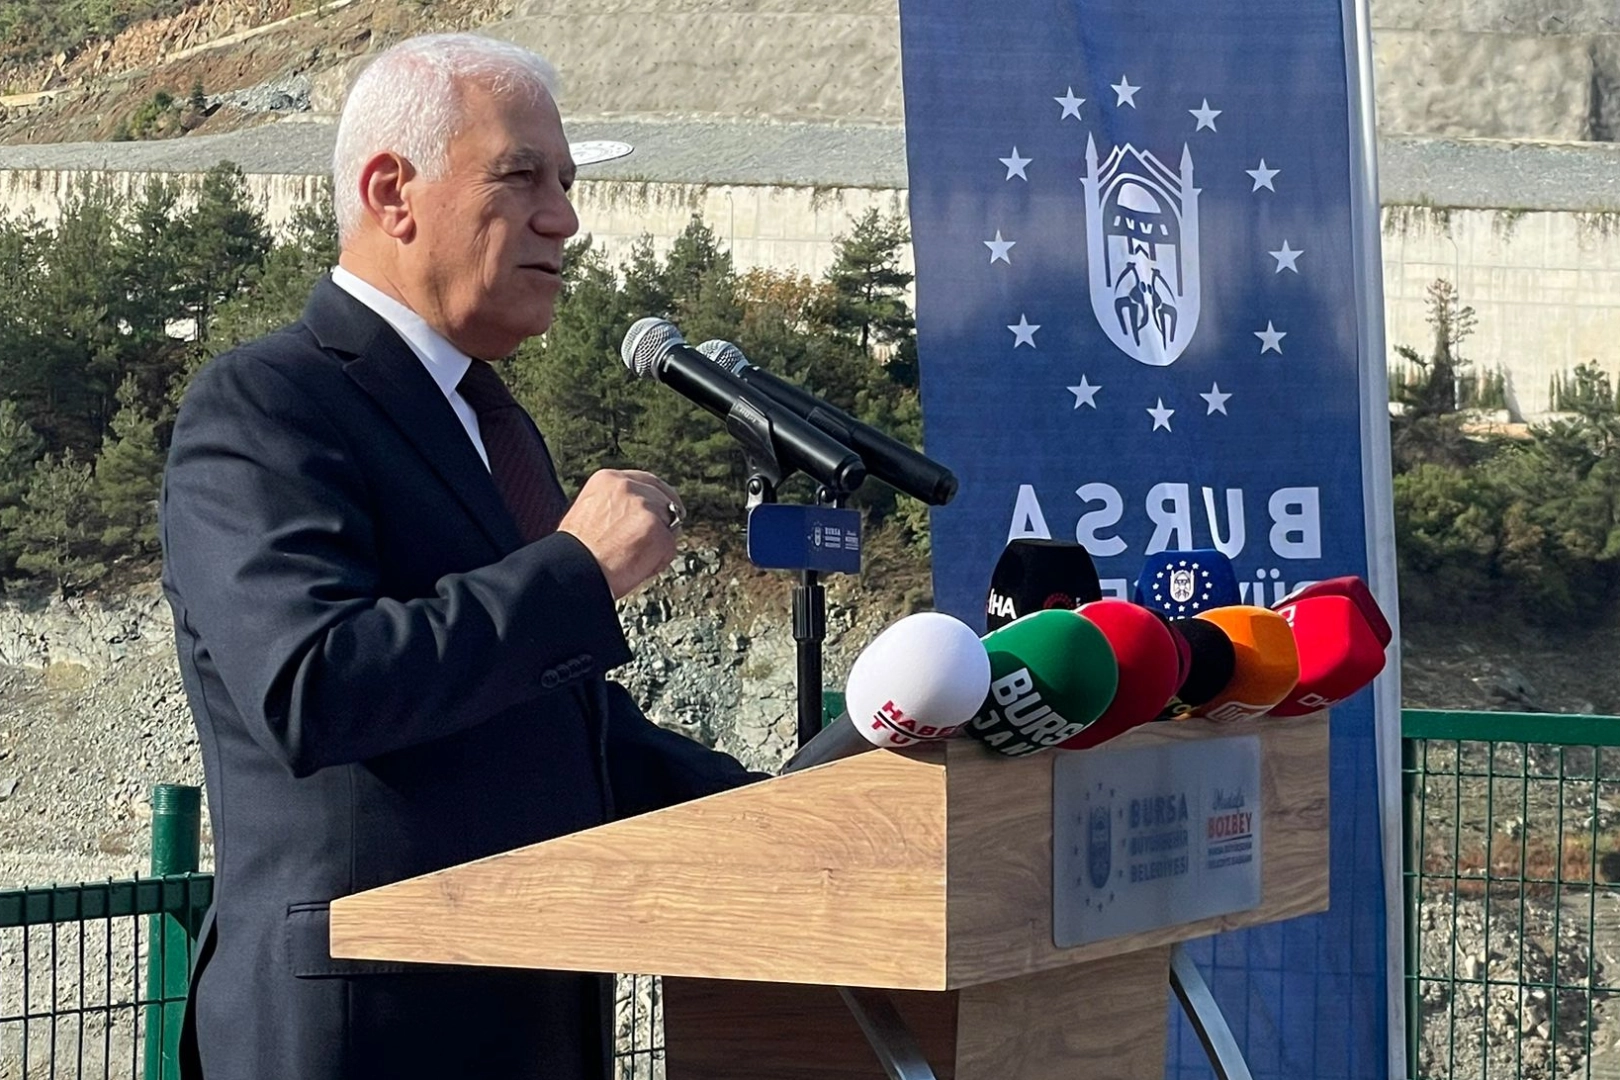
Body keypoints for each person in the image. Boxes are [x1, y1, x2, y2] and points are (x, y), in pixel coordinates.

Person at [159, 32, 760, 1080]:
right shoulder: (266, 402)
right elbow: (312, 686)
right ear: (391, 192)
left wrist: (794, 804)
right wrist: (575, 571)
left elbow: (551, 724)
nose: (564, 218)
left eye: (566, 184)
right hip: (361, 1036)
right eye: (522, 177)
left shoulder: (494, 426)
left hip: (528, 1019)